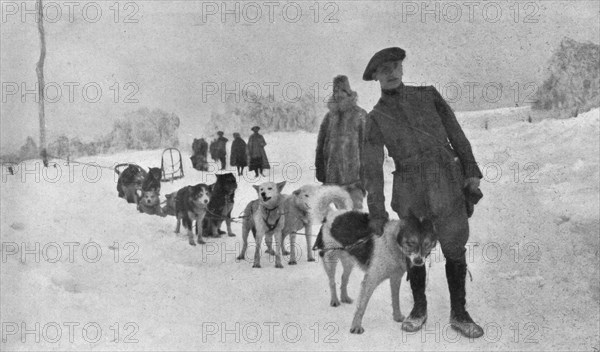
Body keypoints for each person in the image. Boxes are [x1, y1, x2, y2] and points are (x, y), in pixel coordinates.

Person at [361, 47, 484, 338]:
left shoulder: (428, 95)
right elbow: (372, 168)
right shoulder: (375, 118)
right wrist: (376, 210)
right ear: (376, 77)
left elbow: (455, 132)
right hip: (410, 191)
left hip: (446, 182)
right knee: (413, 249)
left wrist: (471, 170)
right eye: (383, 70)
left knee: (455, 245)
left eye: (394, 66)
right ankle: (419, 308)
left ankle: (459, 312)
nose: (391, 73)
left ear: (402, 68)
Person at [315, 75, 367, 210]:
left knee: (355, 216)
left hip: (354, 180)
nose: (338, 94)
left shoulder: (360, 115)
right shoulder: (329, 117)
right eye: (335, 91)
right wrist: (320, 170)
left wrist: (366, 175)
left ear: (348, 92)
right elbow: (321, 145)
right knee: (337, 218)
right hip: (333, 178)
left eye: (342, 90)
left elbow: (367, 147)